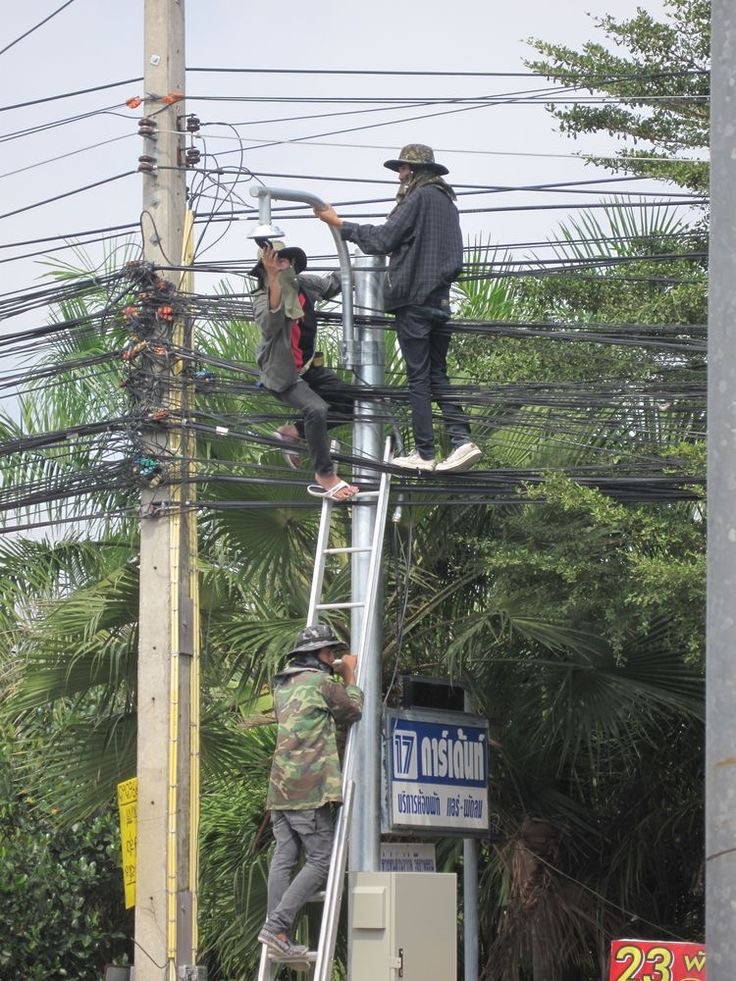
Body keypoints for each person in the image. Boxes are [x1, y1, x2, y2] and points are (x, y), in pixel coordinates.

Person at [314, 143, 482, 474]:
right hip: (440, 300)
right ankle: (462, 441)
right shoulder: (448, 203)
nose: (400, 176)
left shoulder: (418, 198)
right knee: (437, 375)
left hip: (414, 300)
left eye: (403, 169)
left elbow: (383, 239)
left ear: (417, 172)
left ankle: (424, 452)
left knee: (418, 379)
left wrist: (340, 225)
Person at [258, 623, 363, 958]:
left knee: (284, 858)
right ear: (317, 656)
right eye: (329, 652)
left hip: (280, 790)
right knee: (323, 859)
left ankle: (279, 935)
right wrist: (348, 676)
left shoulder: (282, 687)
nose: (333, 656)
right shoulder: (322, 684)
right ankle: (276, 927)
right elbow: (353, 710)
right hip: (309, 790)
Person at [250, 241, 358, 501]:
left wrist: (365, 262)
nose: (281, 265)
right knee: (316, 409)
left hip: (308, 368)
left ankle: (293, 431)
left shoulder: (304, 285)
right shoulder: (262, 297)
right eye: (274, 262)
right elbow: (270, 323)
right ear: (266, 268)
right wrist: (274, 281)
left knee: (353, 404)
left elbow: (333, 283)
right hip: (282, 374)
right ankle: (324, 474)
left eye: (284, 261)